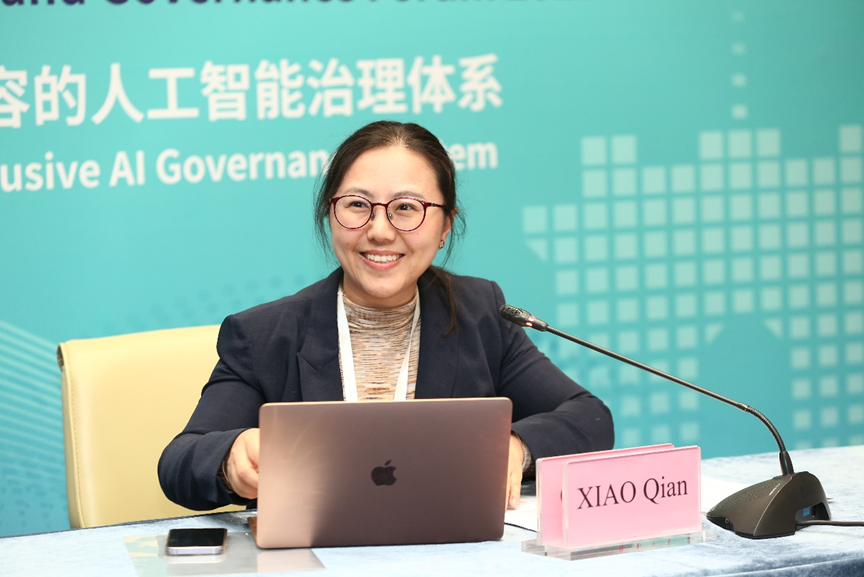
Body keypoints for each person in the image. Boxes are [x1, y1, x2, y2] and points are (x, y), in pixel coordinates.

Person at [158, 120, 614, 512]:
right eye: (357, 205)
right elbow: (179, 461)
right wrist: (230, 458)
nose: (379, 231)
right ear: (329, 214)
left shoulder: (480, 315)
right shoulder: (265, 336)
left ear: (445, 225)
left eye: (406, 209)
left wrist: (516, 447)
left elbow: (589, 417)